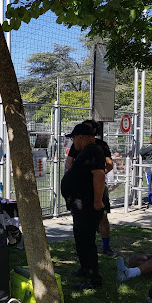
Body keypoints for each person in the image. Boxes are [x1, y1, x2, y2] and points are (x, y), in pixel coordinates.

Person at [61, 123, 106, 290]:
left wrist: (97, 201)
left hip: (87, 204)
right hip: (79, 203)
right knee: (80, 239)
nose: (73, 142)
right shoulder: (85, 152)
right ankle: (85, 269)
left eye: (74, 138)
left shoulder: (93, 151)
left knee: (86, 241)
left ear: (81, 137)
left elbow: (99, 176)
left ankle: (92, 279)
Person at [65, 120, 116, 257]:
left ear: (93, 131)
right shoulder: (77, 147)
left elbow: (107, 166)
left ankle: (105, 246)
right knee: (80, 222)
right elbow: (69, 164)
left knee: (102, 217)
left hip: (95, 191)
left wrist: (95, 177)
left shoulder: (99, 147)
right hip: (80, 193)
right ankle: (81, 248)